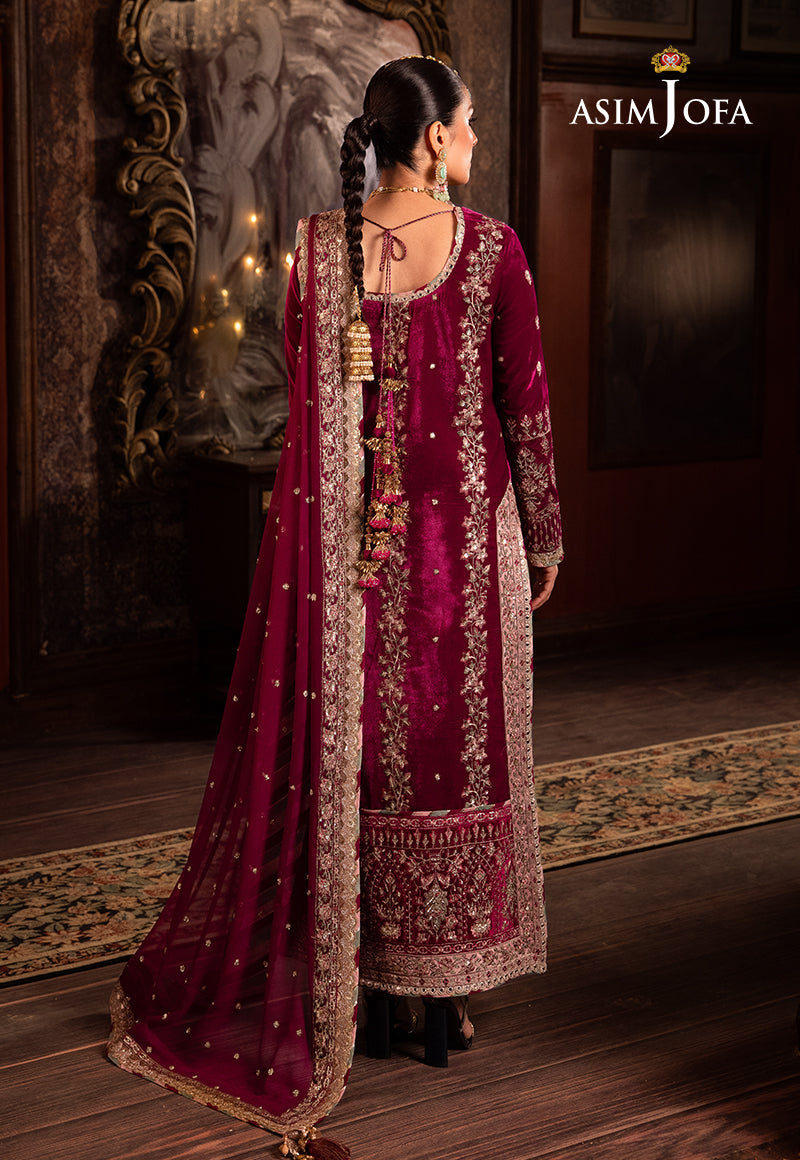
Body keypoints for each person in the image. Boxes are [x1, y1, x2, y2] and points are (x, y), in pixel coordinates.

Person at [107, 55, 562, 1159]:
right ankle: (440, 991)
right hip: (463, 556)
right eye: (466, 123)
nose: (474, 139)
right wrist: (545, 534)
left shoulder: (318, 250)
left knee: (363, 755)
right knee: (452, 753)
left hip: (350, 560)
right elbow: (527, 408)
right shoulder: (492, 249)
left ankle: (362, 974)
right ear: (433, 138)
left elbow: (310, 405)